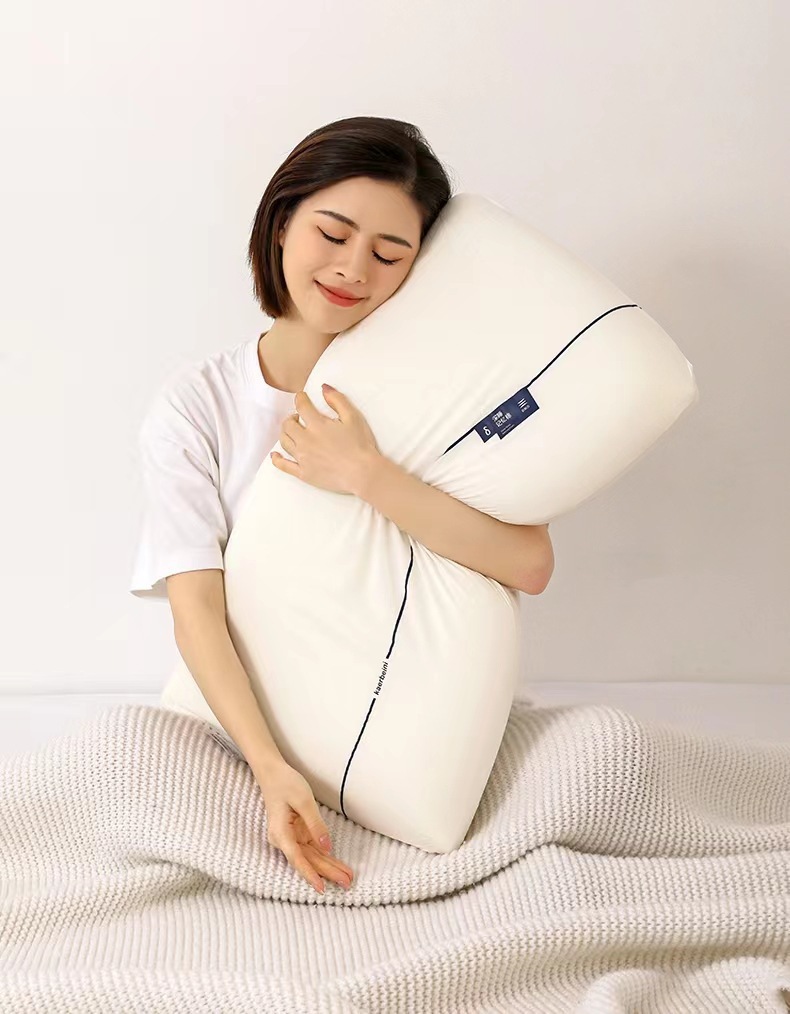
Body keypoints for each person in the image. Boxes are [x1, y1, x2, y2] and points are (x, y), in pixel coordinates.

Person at [130, 115, 454, 894]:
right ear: (281, 223)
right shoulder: (195, 406)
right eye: (333, 234)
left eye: (389, 254)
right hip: (239, 731)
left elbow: (528, 563)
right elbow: (197, 610)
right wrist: (271, 768)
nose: (353, 269)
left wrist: (369, 475)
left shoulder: (431, 397)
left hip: (396, 727)